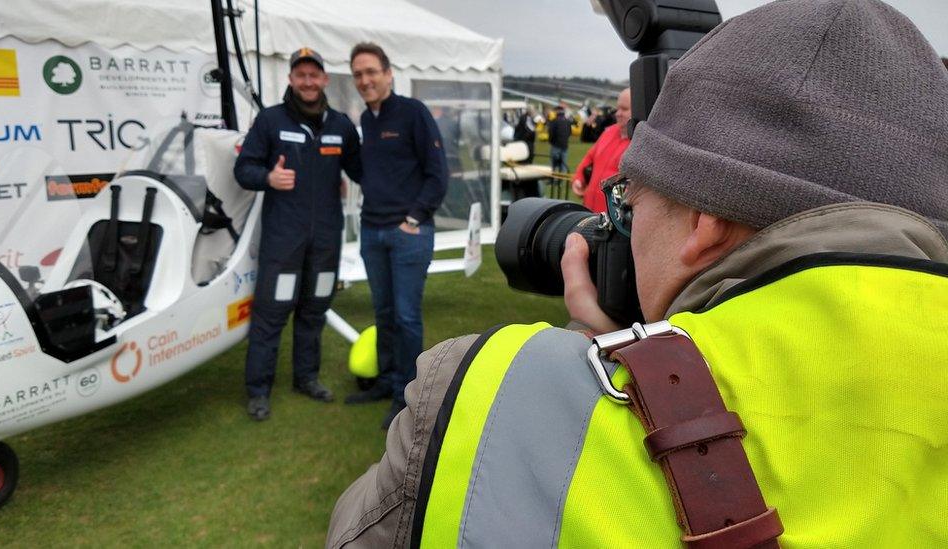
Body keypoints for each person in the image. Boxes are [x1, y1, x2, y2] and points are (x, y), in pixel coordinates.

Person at [326, 1, 948, 546]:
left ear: (705, 221)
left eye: (625, 201)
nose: (612, 228)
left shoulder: (492, 404)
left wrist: (592, 357)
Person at [233, 47, 362, 421]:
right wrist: (268, 177)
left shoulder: (339, 125)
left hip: (325, 242)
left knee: (314, 311)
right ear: (291, 80)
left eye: (314, 75)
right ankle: (259, 391)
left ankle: (306, 378)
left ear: (324, 79)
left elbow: (361, 170)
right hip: (284, 242)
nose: (308, 81)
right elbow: (244, 169)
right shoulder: (271, 122)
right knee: (271, 315)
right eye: (300, 75)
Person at [342, 42, 448, 430]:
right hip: (373, 231)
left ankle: (407, 395)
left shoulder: (413, 113)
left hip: (408, 234)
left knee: (406, 317)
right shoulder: (367, 121)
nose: (365, 80)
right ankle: (385, 382)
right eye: (358, 74)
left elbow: (438, 174)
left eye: (371, 72)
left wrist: (414, 217)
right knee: (384, 313)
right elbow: (369, 172)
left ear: (388, 73)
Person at [571, 88, 632, 213]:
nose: (618, 113)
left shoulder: (641, 142)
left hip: (615, 219)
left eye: (624, 109)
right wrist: (578, 179)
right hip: (589, 211)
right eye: (617, 108)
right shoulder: (609, 132)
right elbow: (589, 158)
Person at [546, 105, 572, 173]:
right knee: (563, 162)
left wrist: (550, 141)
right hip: (565, 144)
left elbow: (551, 133)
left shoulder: (554, 121)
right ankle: (562, 177)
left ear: (557, 112)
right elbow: (569, 132)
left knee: (553, 163)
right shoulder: (567, 121)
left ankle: (552, 176)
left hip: (556, 144)